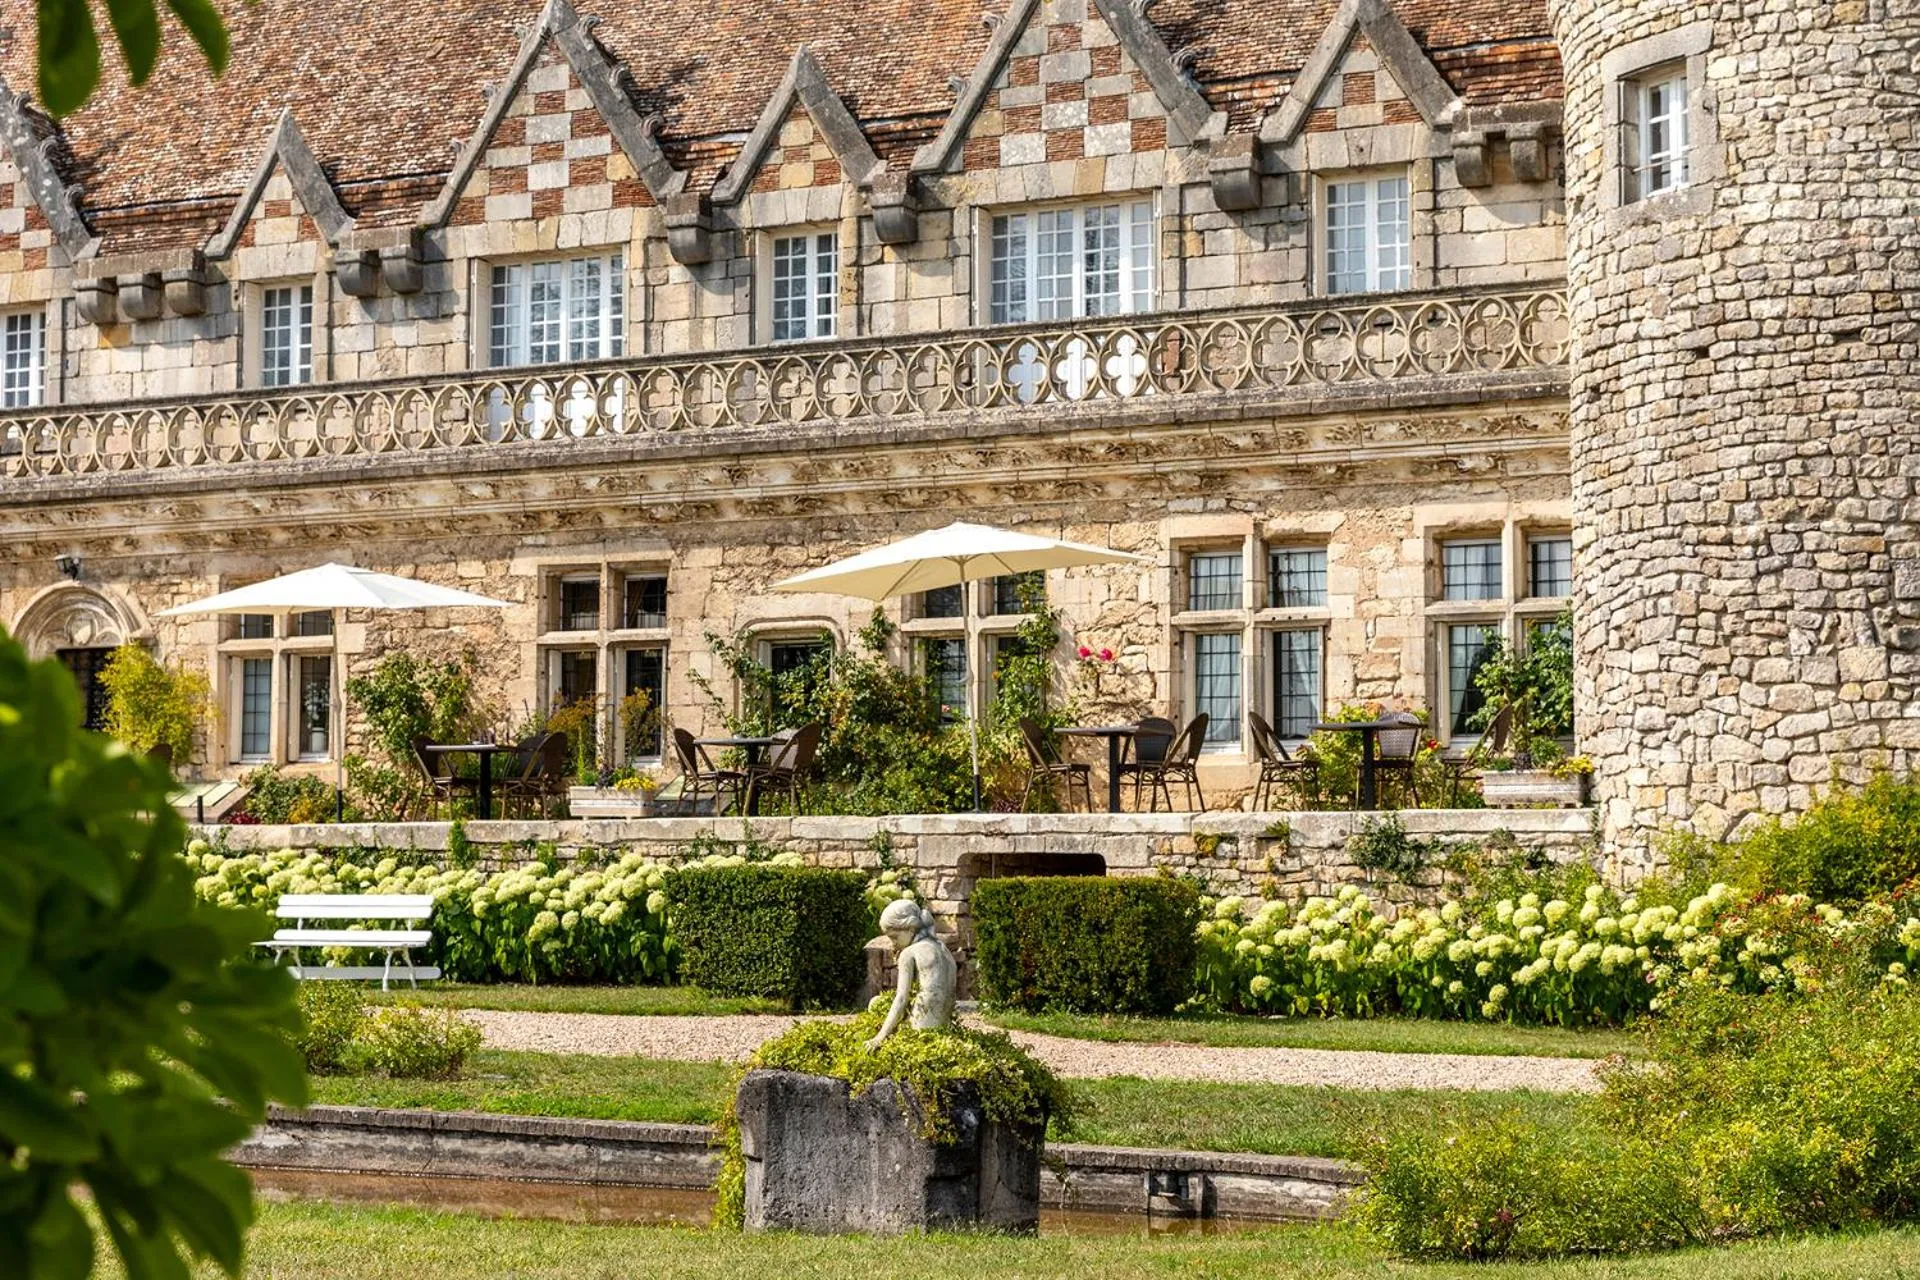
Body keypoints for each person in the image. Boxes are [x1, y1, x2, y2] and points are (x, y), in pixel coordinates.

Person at [863, 899, 957, 1050]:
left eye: (894, 937)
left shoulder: (908, 953)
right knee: (877, 1003)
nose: (892, 943)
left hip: (922, 1023)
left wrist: (879, 1037)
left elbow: (901, 998)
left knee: (874, 1005)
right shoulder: (943, 949)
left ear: (910, 929)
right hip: (944, 1023)